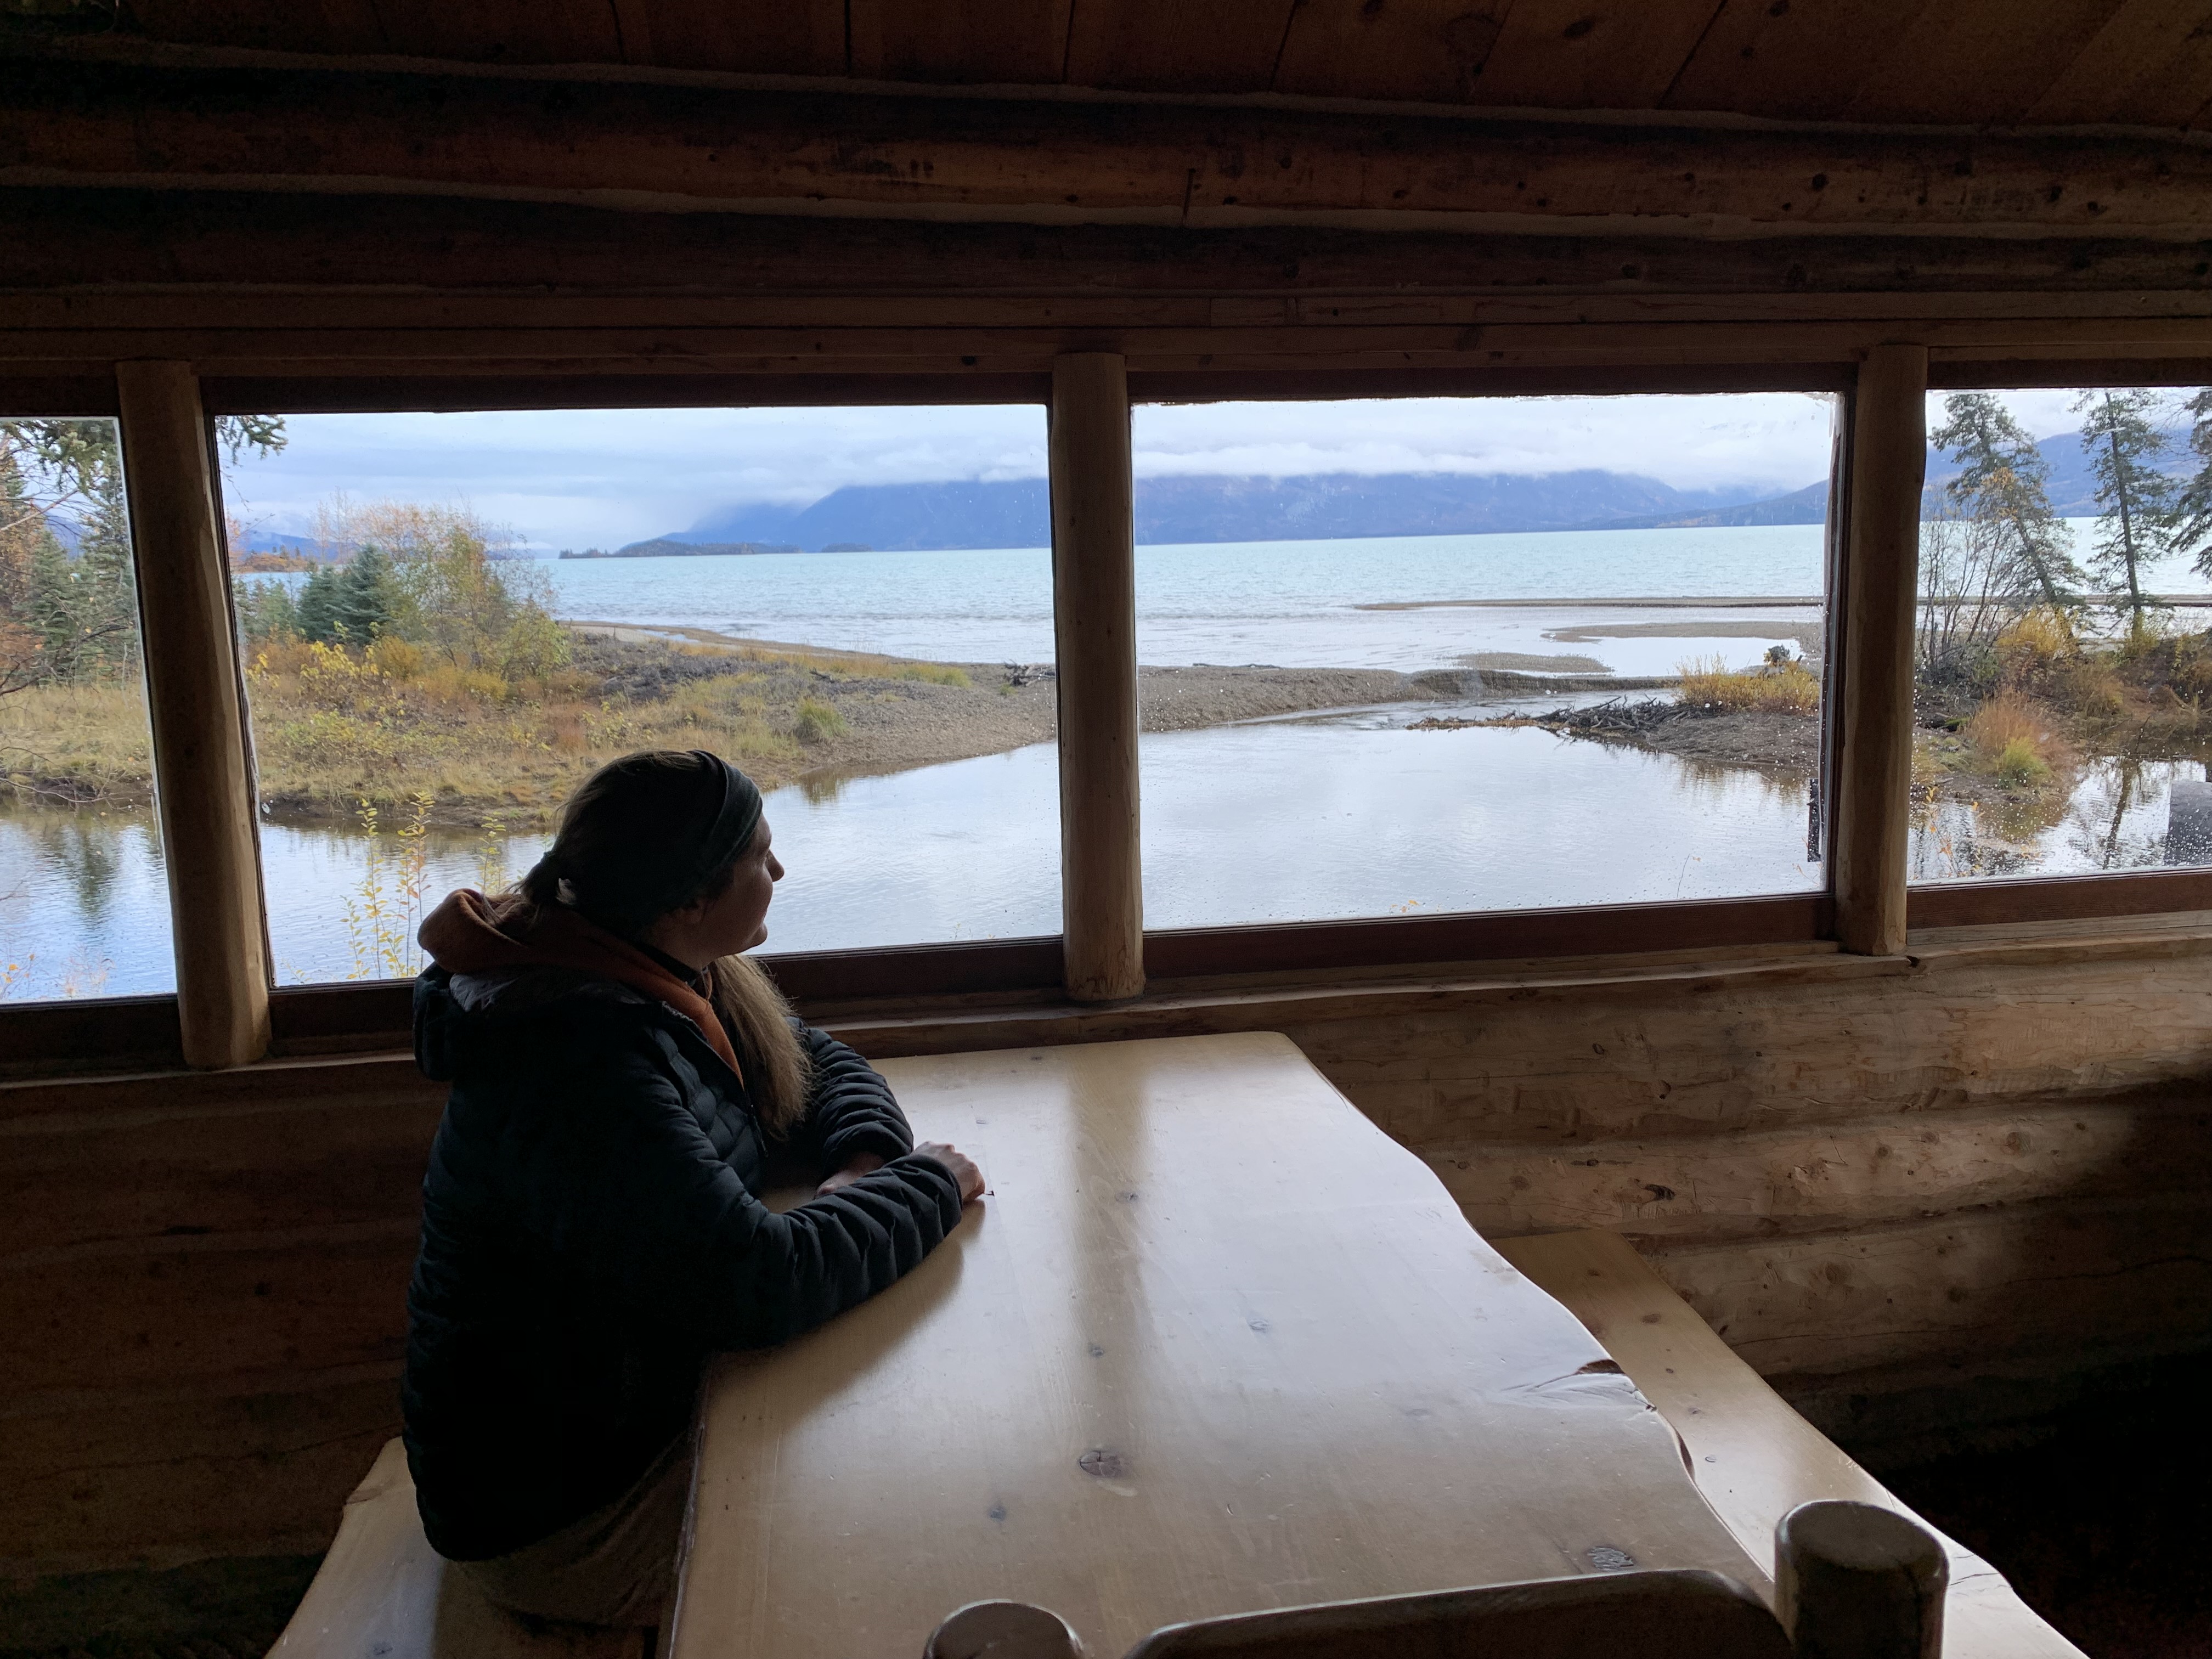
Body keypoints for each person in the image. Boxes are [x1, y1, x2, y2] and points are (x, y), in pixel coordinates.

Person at [402, 748, 984, 1630]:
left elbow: (812, 1062)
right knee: (910, 1511)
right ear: (687, 897)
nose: (781, 870)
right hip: (562, 1529)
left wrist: (864, 1160)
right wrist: (931, 1182)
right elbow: (754, 1284)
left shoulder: (648, 967)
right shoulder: (575, 1061)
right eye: (760, 856)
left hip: (621, 1435)